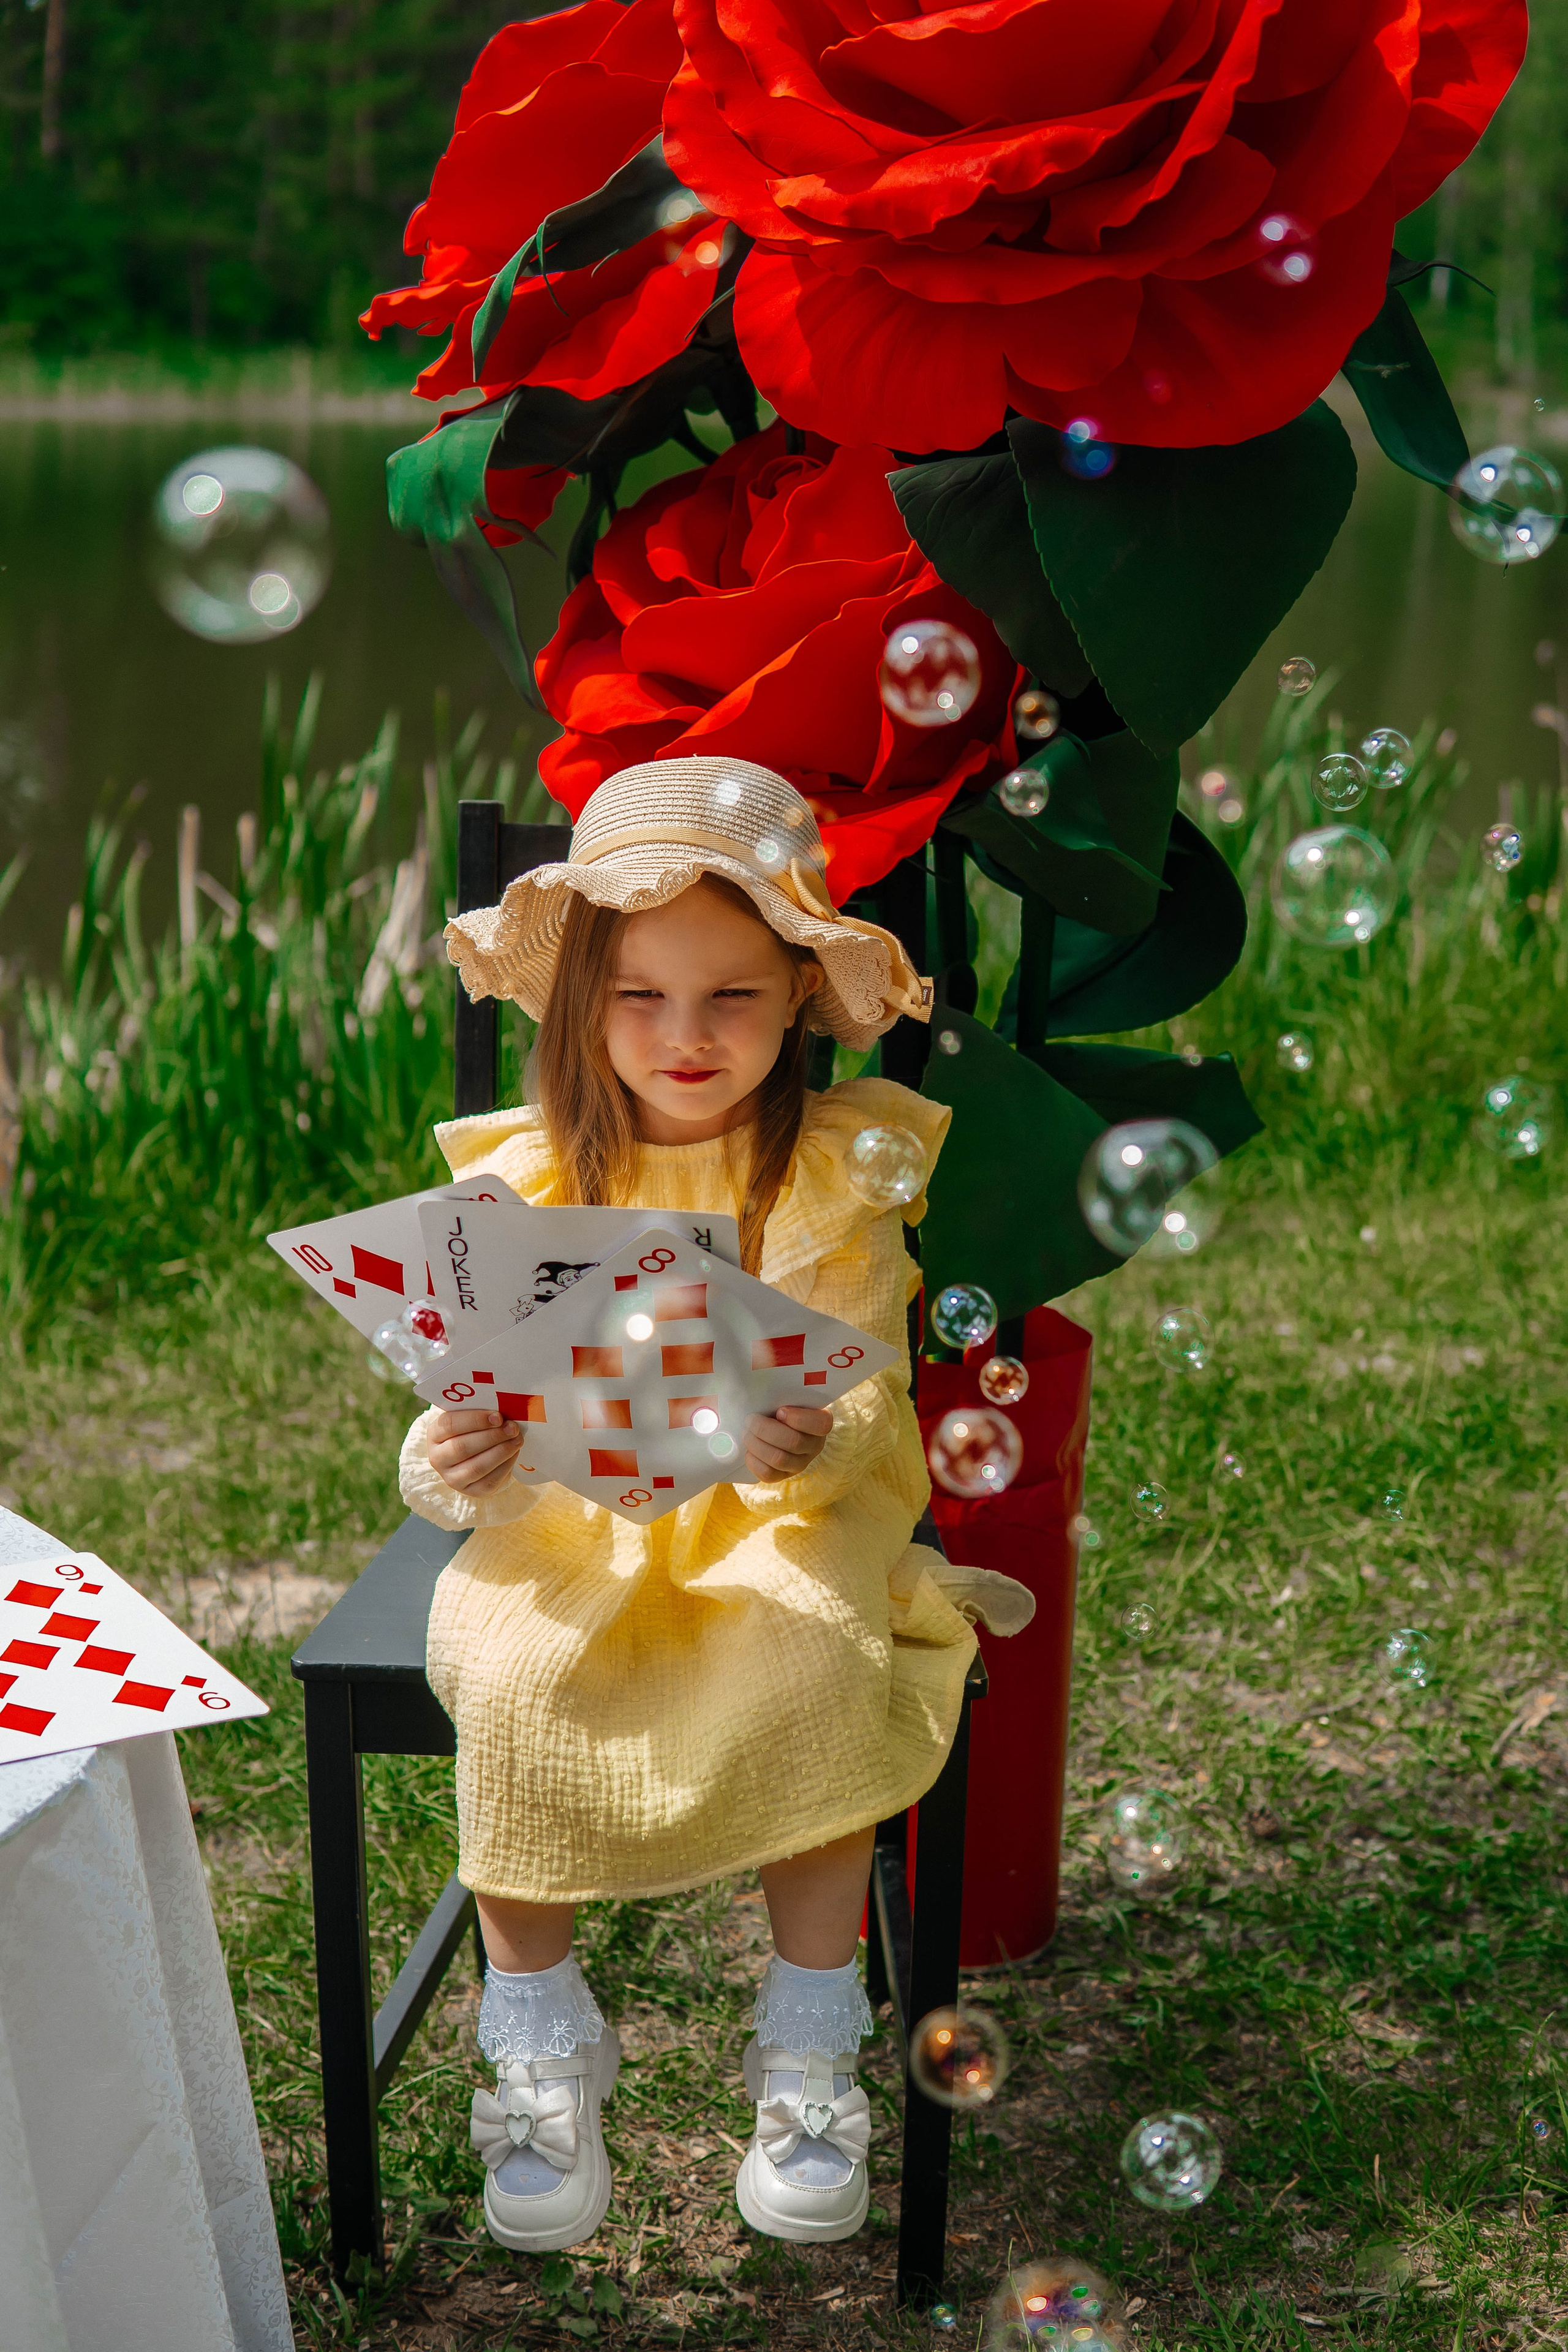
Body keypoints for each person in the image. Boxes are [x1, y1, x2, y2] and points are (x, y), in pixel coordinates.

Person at [399, 755, 1033, 2255]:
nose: (684, 1039)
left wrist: (796, 1444)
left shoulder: (831, 1172)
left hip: (779, 1512)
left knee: (809, 1653)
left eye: (731, 997)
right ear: (578, 1005)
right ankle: (540, 2038)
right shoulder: (531, 1174)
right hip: (568, 1517)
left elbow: (866, 1383)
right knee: (510, 1672)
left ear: (801, 997)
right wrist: (444, 1462)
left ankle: (809, 2045)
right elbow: (461, 1393)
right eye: (640, 998)